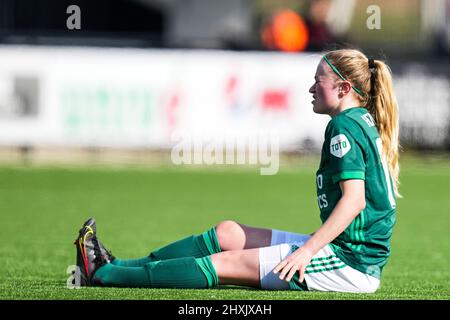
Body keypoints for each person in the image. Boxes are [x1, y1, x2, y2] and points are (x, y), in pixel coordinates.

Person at [73, 48, 400, 293]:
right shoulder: (358, 121)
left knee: (222, 265)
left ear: (343, 88)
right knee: (227, 232)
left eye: (319, 81)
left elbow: (354, 201)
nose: (311, 88)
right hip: (343, 251)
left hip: (350, 265)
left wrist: (307, 252)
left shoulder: (344, 125)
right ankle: (117, 265)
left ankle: (104, 275)